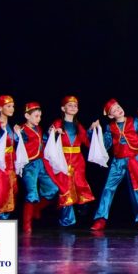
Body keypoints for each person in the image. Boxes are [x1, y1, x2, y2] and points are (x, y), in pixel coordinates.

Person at [90, 99, 138, 233]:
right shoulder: (110, 127)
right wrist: (94, 131)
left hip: (134, 160)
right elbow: (105, 145)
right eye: (114, 110)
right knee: (108, 189)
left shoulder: (134, 121)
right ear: (111, 115)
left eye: (118, 107)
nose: (118, 110)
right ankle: (100, 219)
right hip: (117, 162)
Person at [49, 96, 95, 227]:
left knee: (80, 184)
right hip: (62, 159)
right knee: (65, 188)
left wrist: (91, 130)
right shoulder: (58, 123)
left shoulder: (78, 125)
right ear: (63, 108)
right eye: (70, 105)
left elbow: (86, 141)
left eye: (75, 105)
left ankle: (82, 207)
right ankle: (67, 220)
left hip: (77, 160)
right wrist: (55, 133)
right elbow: (48, 139)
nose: (73, 107)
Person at [16, 102, 62, 234]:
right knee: (32, 193)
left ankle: (36, 209)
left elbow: (44, 140)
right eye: (36, 116)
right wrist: (16, 132)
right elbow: (16, 141)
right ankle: (27, 225)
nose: (39, 119)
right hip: (29, 165)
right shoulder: (22, 130)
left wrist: (53, 133)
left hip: (40, 163)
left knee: (53, 189)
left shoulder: (39, 128)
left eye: (40, 116)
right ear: (27, 116)